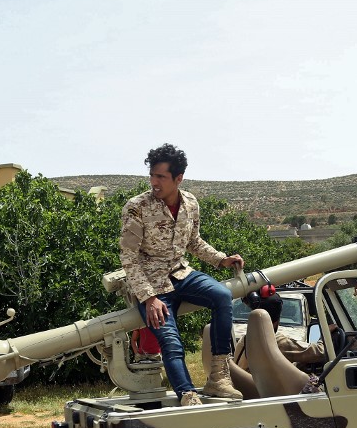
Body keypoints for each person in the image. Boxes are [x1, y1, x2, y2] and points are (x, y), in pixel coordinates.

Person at [120, 143, 244, 406]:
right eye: (152, 175)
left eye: (161, 177)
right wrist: (149, 298)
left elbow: (194, 242)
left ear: (178, 178)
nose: (154, 182)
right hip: (151, 285)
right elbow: (128, 258)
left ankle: (218, 379)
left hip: (180, 273)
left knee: (222, 296)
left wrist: (221, 259)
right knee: (171, 341)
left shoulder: (190, 203)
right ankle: (187, 395)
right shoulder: (136, 207)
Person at [233, 294, 329, 369]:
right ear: (276, 321)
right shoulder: (277, 342)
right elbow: (320, 352)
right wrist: (326, 335)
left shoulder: (244, 340)